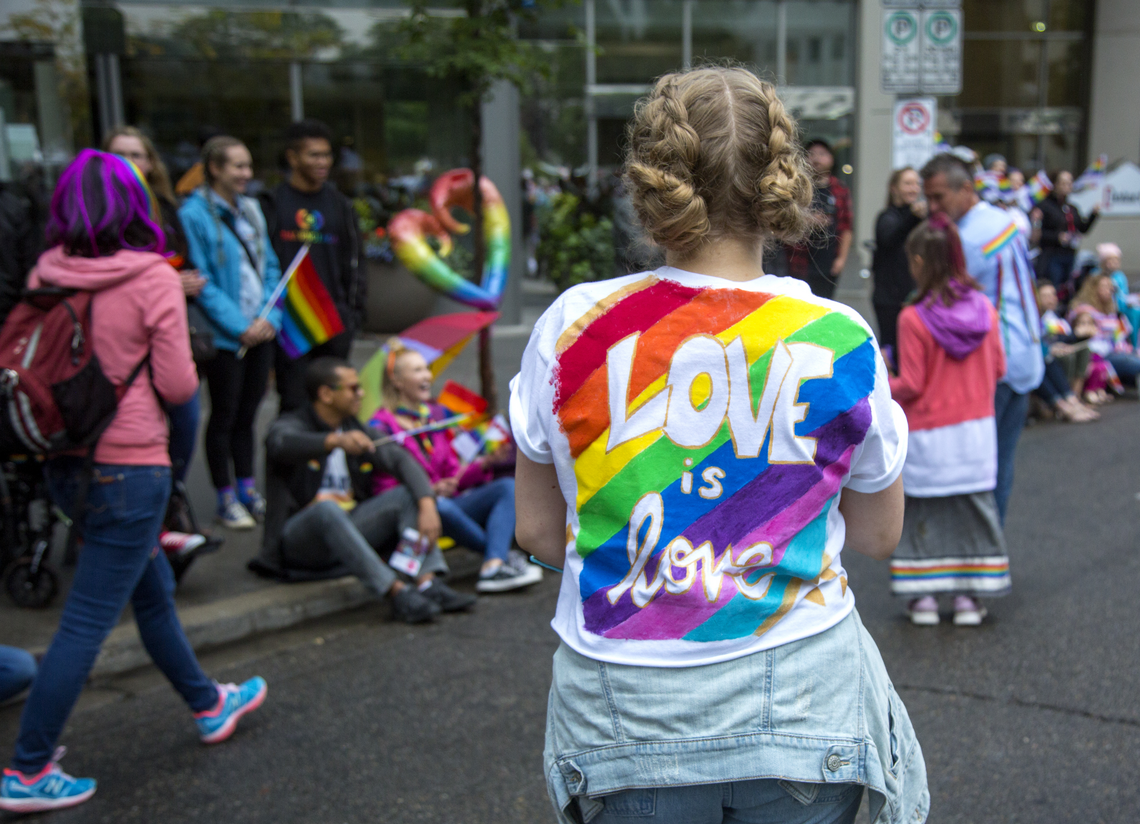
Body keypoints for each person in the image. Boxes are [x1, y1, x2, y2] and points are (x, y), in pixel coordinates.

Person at [511, 67, 927, 824]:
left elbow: (536, 530)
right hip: (805, 701)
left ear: (647, 183)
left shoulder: (575, 327)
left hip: (624, 707)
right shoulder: (840, 337)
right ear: (784, 183)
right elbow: (877, 533)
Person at [0, 151, 266, 815]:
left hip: (66, 463)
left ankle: (207, 703)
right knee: (88, 619)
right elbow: (179, 385)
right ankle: (28, 769)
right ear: (136, 204)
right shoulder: (153, 277)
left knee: (150, 591)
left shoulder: (47, 270)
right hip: (132, 466)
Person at [251, 357, 476, 623]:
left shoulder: (353, 427)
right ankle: (396, 593)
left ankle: (427, 582)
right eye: (353, 388)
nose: (361, 393)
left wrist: (427, 503)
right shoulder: (294, 423)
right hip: (299, 541)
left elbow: (399, 459)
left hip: (349, 527)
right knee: (327, 510)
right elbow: (280, 442)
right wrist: (333, 441)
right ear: (325, 394)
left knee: (408, 495)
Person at [887, 215, 1010, 626]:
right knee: (971, 514)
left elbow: (913, 385)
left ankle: (921, 598)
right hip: (975, 434)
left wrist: (881, 381)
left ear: (920, 260)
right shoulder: (985, 310)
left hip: (927, 434)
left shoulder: (913, 318)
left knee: (921, 514)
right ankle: (968, 599)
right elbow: (998, 368)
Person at [103, 126, 214, 569]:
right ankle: (151, 530)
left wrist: (180, 283)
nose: (131, 163)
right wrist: (164, 284)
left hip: (165, 344)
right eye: (119, 155)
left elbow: (184, 264)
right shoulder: (93, 229)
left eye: (138, 154)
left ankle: (167, 514)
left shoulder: (168, 211)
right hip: (124, 369)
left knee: (185, 422)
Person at [920, 152, 1044, 525]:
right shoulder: (1002, 220)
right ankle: (990, 556)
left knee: (978, 470)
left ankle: (978, 559)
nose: (932, 207)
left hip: (993, 362)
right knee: (1000, 463)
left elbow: (937, 300)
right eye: (929, 198)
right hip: (1026, 352)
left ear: (966, 189)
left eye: (939, 197)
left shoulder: (967, 239)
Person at [370, 344, 543, 593]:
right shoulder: (381, 427)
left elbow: (454, 473)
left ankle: (493, 565)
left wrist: (485, 463)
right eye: (417, 370)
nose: (427, 376)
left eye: (427, 369)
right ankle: (499, 559)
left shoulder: (435, 416)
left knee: (507, 487)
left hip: (452, 504)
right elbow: (385, 490)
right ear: (396, 380)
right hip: (420, 510)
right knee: (439, 505)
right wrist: (428, 491)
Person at [180, 136, 282, 529]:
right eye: (237, 166)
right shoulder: (194, 215)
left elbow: (271, 267)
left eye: (248, 165)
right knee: (223, 415)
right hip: (227, 336)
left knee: (249, 414)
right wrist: (240, 327)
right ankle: (224, 497)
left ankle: (246, 488)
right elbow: (201, 280)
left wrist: (267, 319)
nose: (246, 174)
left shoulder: (253, 210)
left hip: (260, 329)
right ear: (215, 169)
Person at [262, 119, 364, 413]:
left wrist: (353, 315)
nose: (323, 162)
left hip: (333, 321)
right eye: (313, 155)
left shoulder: (341, 205)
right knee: (294, 403)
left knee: (336, 405)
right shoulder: (272, 203)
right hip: (288, 325)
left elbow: (355, 263)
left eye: (326, 155)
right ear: (293, 158)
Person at [784, 138, 852, 299]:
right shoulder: (796, 187)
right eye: (811, 154)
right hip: (799, 262)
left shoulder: (840, 189)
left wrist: (841, 259)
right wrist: (806, 221)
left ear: (831, 159)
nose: (816, 158)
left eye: (822, 154)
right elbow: (784, 221)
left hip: (828, 261)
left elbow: (847, 227)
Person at [872, 167, 926, 356]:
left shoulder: (921, 220)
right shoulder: (887, 217)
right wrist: (913, 218)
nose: (914, 188)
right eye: (908, 183)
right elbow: (889, 239)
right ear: (894, 188)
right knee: (892, 349)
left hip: (914, 295)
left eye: (917, 184)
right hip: (889, 298)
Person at [1033, 282, 1098, 422]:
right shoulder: (1033, 317)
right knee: (1044, 361)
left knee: (1081, 349)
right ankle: (1063, 406)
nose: (1051, 299)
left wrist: (1076, 337)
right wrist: (1052, 348)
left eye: (1053, 295)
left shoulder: (1052, 316)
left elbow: (1065, 337)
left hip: (1047, 355)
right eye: (1046, 296)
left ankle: (1072, 399)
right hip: (1035, 358)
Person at [1068, 273, 1140, 386]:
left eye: (1111, 286)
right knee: (1132, 361)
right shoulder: (1083, 310)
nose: (1110, 290)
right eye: (1105, 286)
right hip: (1097, 355)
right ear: (1093, 289)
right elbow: (1080, 333)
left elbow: (1119, 337)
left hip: (1115, 351)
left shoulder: (1110, 311)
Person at [1036, 170, 1098, 289]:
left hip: (1070, 254)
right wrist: (1057, 237)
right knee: (1055, 288)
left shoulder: (1071, 208)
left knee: (1067, 289)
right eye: (1063, 183)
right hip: (1052, 255)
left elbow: (1083, 229)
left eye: (1069, 183)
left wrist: (1093, 214)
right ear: (1055, 185)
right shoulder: (1045, 206)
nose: (1067, 186)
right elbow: (1038, 235)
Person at [1097, 242, 1140, 348]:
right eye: (1111, 260)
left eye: (1116, 260)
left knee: (1136, 312)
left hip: (1121, 305)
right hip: (1104, 306)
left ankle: (1135, 345)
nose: (1114, 263)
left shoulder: (1120, 276)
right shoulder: (1097, 275)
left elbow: (1123, 295)